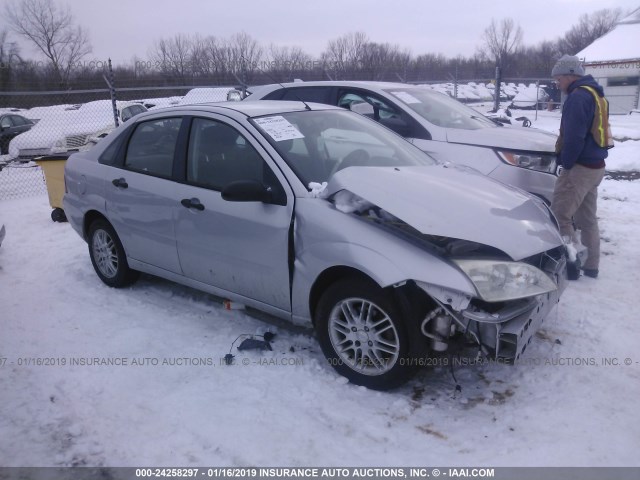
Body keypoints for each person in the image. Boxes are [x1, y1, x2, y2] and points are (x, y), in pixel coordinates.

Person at [551, 54, 612, 279]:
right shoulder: (596, 94)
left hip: (579, 168)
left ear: (570, 75)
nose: (557, 83)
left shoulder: (577, 97)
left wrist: (566, 164)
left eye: (559, 79)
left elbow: (574, 137)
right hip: (596, 167)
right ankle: (591, 265)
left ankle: (572, 264)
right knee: (587, 218)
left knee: (561, 215)